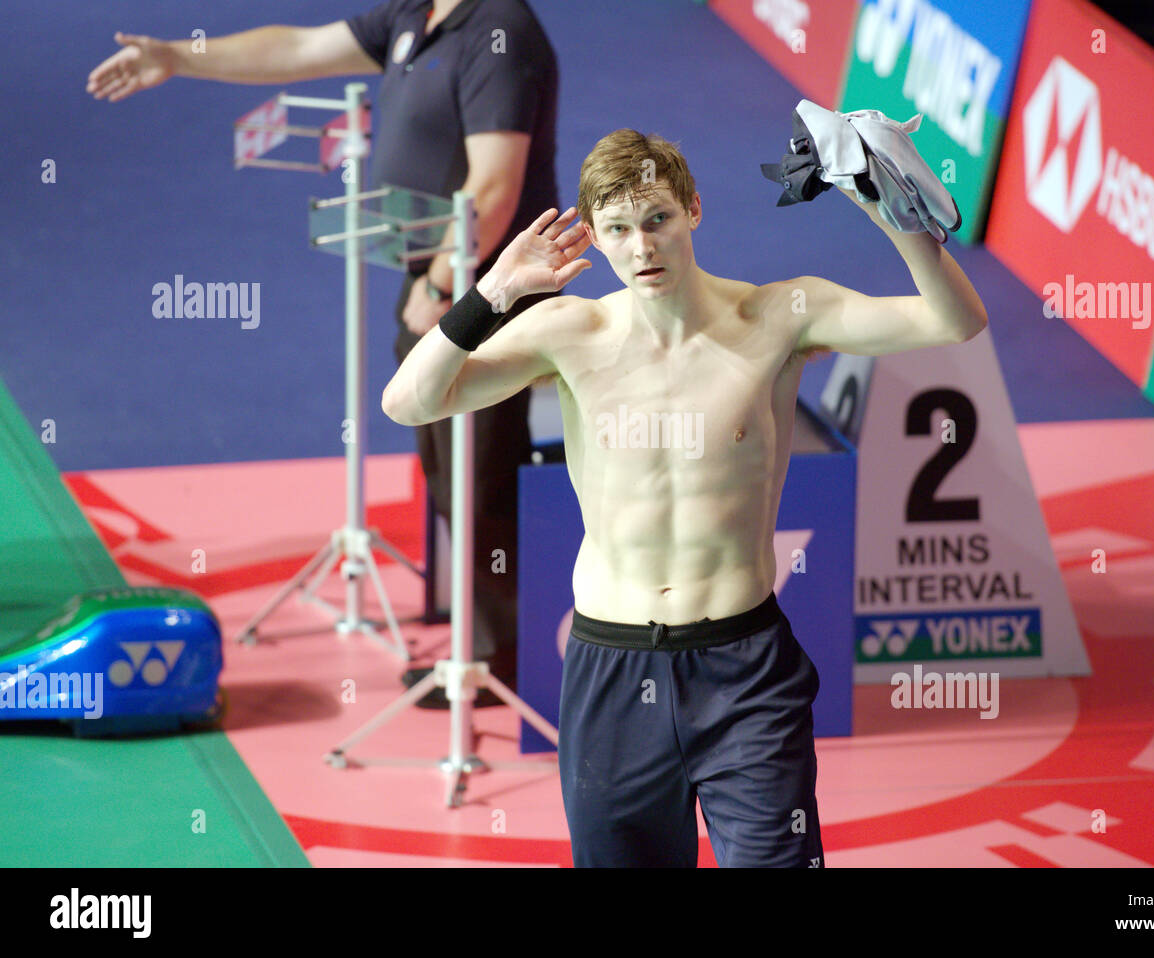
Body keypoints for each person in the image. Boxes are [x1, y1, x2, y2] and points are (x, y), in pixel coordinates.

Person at [381, 129, 988, 867]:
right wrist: (492, 294)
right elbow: (407, 403)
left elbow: (955, 322)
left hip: (746, 670)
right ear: (596, 238)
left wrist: (889, 210)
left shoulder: (779, 316)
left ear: (694, 210)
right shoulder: (571, 330)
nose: (642, 248)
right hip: (612, 668)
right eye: (619, 230)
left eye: (658, 219)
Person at [87, 0, 561, 707]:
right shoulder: (416, 12)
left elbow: (494, 187)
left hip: (485, 291)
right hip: (439, 273)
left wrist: (442, 286)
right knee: (447, 464)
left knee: (481, 473)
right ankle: (478, 641)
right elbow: (299, 47)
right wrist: (180, 56)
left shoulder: (500, 33)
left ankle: (500, 663)